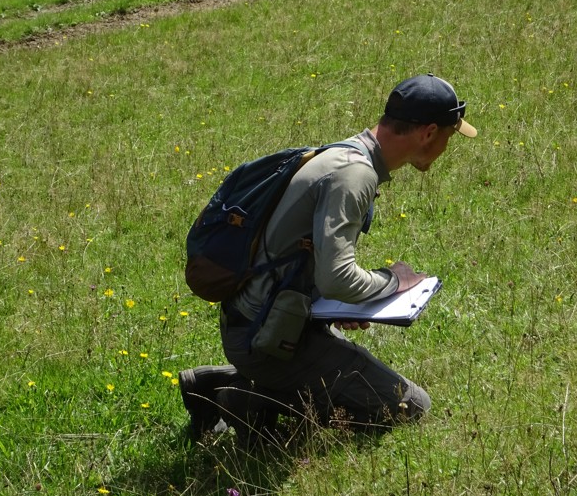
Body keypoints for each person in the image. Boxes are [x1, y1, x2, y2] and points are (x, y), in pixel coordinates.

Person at [179, 73, 477, 439]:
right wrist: (395, 280)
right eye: (448, 136)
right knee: (409, 406)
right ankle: (239, 398)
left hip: (258, 323)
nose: (447, 146)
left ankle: (211, 384)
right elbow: (337, 277)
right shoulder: (355, 175)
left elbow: (304, 262)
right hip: (267, 341)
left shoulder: (344, 153)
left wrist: (337, 306)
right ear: (429, 132)